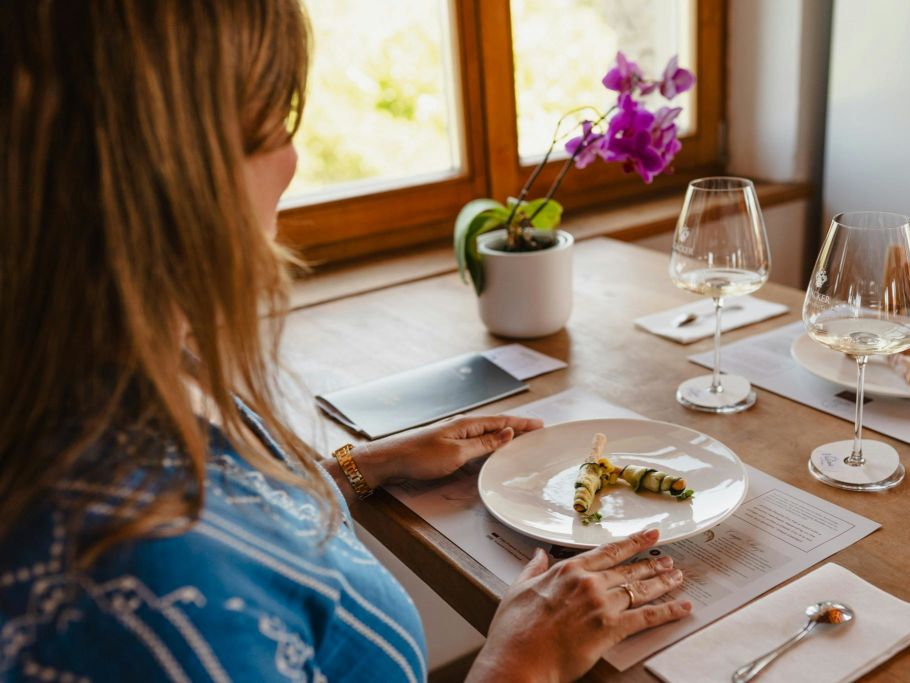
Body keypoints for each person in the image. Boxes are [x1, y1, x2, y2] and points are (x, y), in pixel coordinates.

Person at [0, 2, 692, 681]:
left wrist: (364, 466)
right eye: (275, 123)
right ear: (169, 171)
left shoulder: (124, 375)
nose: (293, 159)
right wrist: (520, 662)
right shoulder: (147, 604)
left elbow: (248, 511)